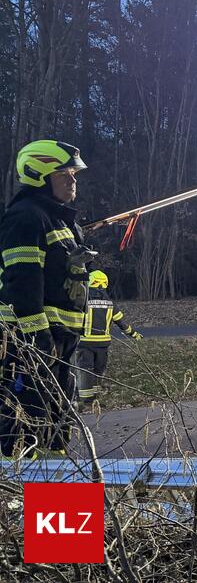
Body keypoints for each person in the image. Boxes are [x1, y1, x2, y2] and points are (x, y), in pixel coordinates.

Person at [0, 140, 90, 458]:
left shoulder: (62, 221)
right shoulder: (26, 218)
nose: (72, 180)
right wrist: (37, 338)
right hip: (30, 347)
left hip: (59, 344)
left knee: (57, 429)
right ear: (39, 175)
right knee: (25, 426)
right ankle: (13, 497)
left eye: (74, 173)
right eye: (64, 174)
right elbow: (22, 283)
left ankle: (56, 495)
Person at [75, 270, 142, 405]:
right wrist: (134, 335)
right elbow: (122, 323)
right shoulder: (110, 304)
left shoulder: (81, 301)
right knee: (98, 370)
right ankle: (94, 399)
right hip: (103, 344)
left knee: (85, 370)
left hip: (84, 343)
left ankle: (85, 400)